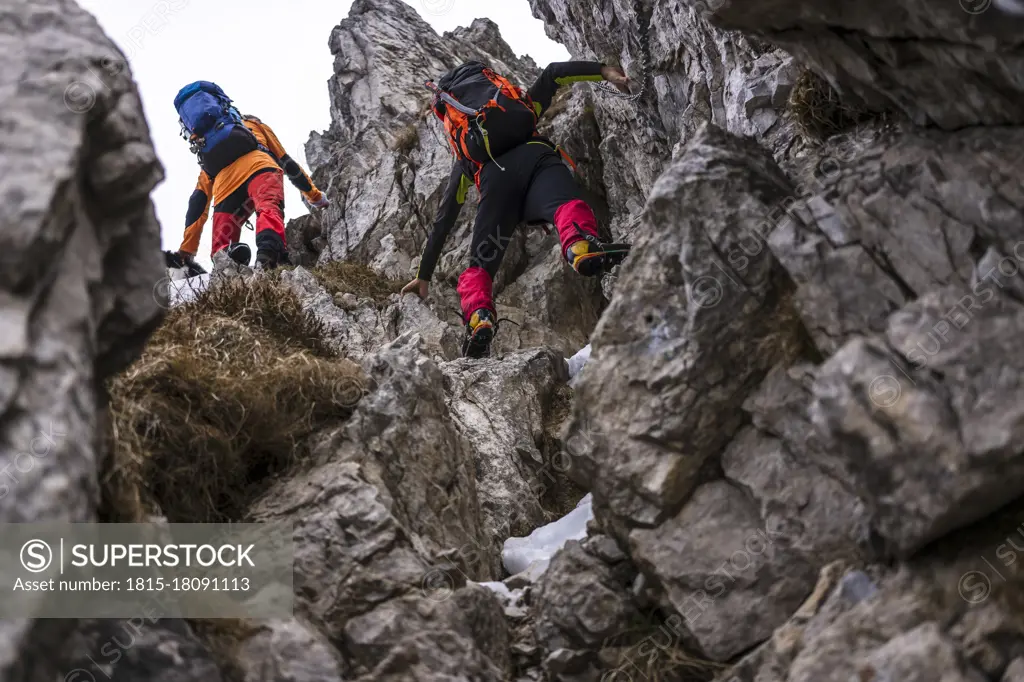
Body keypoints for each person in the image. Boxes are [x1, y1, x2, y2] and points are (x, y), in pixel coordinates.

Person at [402, 61, 632, 359]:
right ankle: (580, 246)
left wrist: (424, 275)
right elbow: (553, 73)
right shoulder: (520, 109)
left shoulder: (467, 159)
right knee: (565, 206)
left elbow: (444, 220)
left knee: (481, 265)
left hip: (495, 185)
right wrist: (606, 72)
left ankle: (479, 316)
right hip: (537, 160)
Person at [171, 81, 328, 270]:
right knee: (268, 208)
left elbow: (198, 200)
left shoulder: (208, 146)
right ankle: (268, 255)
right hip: (261, 168)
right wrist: (315, 197)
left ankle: (227, 262)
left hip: (224, 187)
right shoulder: (254, 125)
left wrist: (187, 247)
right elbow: (287, 163)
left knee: (222, 242)